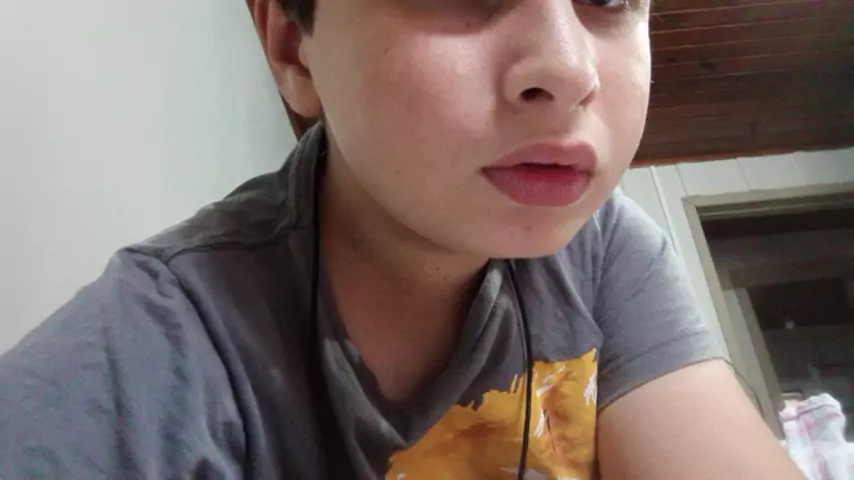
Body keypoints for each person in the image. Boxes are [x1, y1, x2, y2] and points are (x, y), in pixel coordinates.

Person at [0, 0, 804, 478]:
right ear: (291, 46)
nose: (567, 68)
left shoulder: (601, 250)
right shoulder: (169, 341)